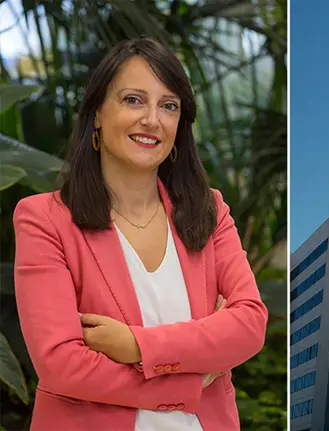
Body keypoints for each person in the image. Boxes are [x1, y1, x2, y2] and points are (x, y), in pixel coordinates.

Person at [12, 37, 269, 431]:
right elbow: (62, 364)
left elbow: (249, 323)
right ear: (97, 112)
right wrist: (191, 379)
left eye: (168, 106)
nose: (152, 119)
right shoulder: (45, 219)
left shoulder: (209, 211)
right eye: (133, 99)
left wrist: (136, 346)